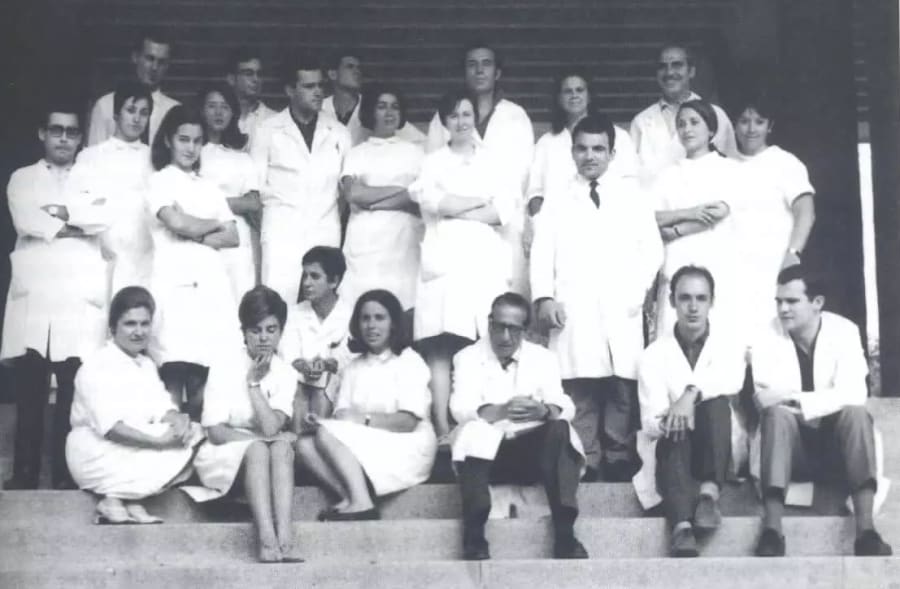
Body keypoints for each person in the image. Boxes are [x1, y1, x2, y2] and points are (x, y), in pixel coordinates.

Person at [531, 114, 663, 481]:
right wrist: (545, 298)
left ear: (612, 152)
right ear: (572, 151)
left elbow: (651, 251)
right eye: (582, 148)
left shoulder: (632, 196)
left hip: (621, 304)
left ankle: (619, 455)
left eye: (598, 149)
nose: (590, 156)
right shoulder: (557, 198)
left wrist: (635, 293)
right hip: (574, 304)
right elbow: (541, 253)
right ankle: (586, 456)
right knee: (581, 384)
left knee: (622, 384)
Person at [1, 104, 110, 489]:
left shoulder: (94, 177)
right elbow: (26, 220)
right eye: (56, 131)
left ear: (81, 137)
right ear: (42, 134)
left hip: (77, 297)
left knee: (71, 392)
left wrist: (62, 215)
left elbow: (103, 218)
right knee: (31, 390)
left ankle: (66, 475)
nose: (64, 138)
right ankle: (25, 474)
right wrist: (75, 221)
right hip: (38, 295)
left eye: (72, 132)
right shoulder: (22, 178)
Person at [751, 265, 892, 557]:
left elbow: (854, 393)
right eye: (779, 301)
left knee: (855, 414)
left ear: (817, 303)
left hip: (838, 449)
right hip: (792, 451)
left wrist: (799, 400)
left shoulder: (844, 331)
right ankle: (772, 531)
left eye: (792, 301)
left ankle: (866, 532)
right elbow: (765, 400)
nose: (783, 309)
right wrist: (822, 400)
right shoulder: (766, 335)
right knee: (776, 417)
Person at [450, 292, 587, 560]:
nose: (504, 336)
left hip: (531, 454)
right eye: (499, 326)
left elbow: (565, 404)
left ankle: (564, 533)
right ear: (489, 323)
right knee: (471, 431)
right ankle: (474, 532)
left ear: (525, 330)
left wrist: (544, 410)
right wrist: (501, 410)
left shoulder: (543, 358)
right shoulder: (466, 357)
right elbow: (459, 407)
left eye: (513, 329)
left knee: (560, 429)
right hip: (489, 458)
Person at [410, 89, 514, 441]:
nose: (461, 122)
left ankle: (480, 421)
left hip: (482, 260)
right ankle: (441, 426)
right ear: (444, 121)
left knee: (482, 340)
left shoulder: (493, 160)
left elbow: (503, 211)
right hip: (443, 260)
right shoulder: (433, 161)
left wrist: (453, 206)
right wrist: (474, 204)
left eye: (467, 114)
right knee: (441, 345)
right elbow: (428, 200)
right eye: (453, 115)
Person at [294, 289, 436, 520]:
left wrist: (362, 420)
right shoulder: (353, 367)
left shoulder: (409, 361)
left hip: (407, 443)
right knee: (304, 445)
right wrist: (321, 422)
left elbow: (408, 422)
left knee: (327, 435)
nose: (371, 325)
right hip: (368, 441)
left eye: (380, 318)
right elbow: (343, 418)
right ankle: (351, 496)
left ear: (393, 324)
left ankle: (361, 502)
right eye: (365, 318)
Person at [66, 286, 201, 524]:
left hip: (135, 445)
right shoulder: (96, 366)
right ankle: (124, 495)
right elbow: (112, 429)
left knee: (195, 433)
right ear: (112, 328)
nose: (138, 332)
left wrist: (178, 419)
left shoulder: (146, 365)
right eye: (130, 324)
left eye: (144, 324)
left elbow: (163, 407)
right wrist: (159, 443)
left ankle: (120, 499)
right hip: (96, 450)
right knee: (182, 447)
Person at [636, 266, 746, 557]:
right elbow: (650, 419)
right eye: (685, 298)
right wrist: (675, 416)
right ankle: (682, 525)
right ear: (672, 301)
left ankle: (708, 495)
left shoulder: (729, 345)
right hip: (676, 447)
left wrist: (689, 394)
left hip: (717, 441)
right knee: (674, 426)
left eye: (701, 298)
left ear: (712, 301)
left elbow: (732, 380)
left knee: (716, 404)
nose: (693, 307)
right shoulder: (653, 355)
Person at [186, 285, 302, 563]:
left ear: (280, 332)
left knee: (281, 450)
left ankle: (285, 539)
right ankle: (266, 538)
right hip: (222, 453)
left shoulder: (285, 373)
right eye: (255, 330)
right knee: (262, 449)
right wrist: (258, 440)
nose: (263, 338)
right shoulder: (224, 366)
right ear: (244, 332)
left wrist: (254, 386)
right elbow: (215, 431)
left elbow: (272, 427)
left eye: (271, 330)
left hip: (268, 455)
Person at [146, 105, 241, 421]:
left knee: (204, 374)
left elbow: (233, 236)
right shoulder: (159, 181)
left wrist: (191, 227)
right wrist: (209, 224)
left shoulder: (209, 186)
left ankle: (198, 456)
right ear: (169, 141)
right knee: (172, 370)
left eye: (197, 141)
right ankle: (170, 455)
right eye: (184, 139)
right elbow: (176, 223)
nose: (191, 147)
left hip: (210, 286)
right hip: (174, 285)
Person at [425, 41, 533, 295]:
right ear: (464, 72)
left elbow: (522, 178)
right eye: (472, 65)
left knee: (504, 303)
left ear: (497, 73)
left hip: (505, 226)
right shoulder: (442, 118)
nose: (479, 71)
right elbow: (433, 177)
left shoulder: (516, 117)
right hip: (453, 231)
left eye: (486, 64)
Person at [250, 53, 351, 303]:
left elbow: (344, 192)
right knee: (277, 306)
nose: (317, 92)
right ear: (289, 90)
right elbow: (254, 191)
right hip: (281, 236)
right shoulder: (267, 131)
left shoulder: (338, 132)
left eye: (320, 86)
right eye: (308, 86)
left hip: (325, 233)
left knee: (322, 308)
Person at [653, 99, 742, 336]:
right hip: (676, 264)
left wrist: (677, 230)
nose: (687, 129)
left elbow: (718, 212)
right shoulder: (667, 175)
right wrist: (690, 213)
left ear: (711, 129)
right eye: (681, 124)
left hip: (715, 264)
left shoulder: (728, 169)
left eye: (694, 122)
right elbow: (651, 219)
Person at [730, 94, 816, 337]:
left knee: (772, 338)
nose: (750, 129)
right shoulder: (724, 165)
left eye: (759, 121)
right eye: (744, 121)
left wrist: (792, 254)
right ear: (734, 125)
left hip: (772, 267)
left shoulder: (785, 163)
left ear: (770, 126)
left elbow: (806, 212)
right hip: (734, 270)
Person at [339, 83, 424, 313]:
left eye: (395, 107)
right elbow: (353, 194)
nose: (389, 113)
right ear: (370, 112)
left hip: (403, 241)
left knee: (402, 305)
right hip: (365, 241)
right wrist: (401, 190)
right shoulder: (357, 153)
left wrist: (373, 202)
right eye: (382, 106)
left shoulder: (416, 152)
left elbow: (420, 197)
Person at [69, 80, 155, 294]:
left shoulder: (154, 159)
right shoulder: (91, 157)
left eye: (144, 113)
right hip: (103, 253)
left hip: (143, 255)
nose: (136, 118)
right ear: (117, 114)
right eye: (130, 110)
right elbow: (76, 208)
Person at [526, 69, 638, 217]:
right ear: (559, 98)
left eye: (580, 90)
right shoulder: (546, 143)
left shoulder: (618, 136)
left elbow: (630, 184)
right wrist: (541, 225)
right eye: (567, 91)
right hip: (557, 225)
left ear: (589, 96)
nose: (574, 95)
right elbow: (536, 193)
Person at [630, 43, 736, 187]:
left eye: (677, 65)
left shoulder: (716, 115)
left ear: (691, 71)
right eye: (662, 66)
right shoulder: (641, 122)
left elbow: (731, 166)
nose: (669, 72)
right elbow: (632, 175)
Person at [199, 82, 262, 298]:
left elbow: (253, 203)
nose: (218, 113)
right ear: (201, 110)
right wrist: (235, 203)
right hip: (203, 238)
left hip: (238, 244)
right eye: (212, 106)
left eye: (225, 107)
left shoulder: (242, 158)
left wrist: (208, 203)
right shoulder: (192, 154)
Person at [280, 246, 354, 414]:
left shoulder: (351, 315)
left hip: (334, 389)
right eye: (305, 275)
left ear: (334, 281)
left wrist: (327, 365)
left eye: (315, 276)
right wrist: (304, 366)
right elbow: (288, 356)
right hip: (299, 385)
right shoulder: (294, 313)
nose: (306, 283)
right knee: (296, 385)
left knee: (326, 382)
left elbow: (349, 361)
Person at [87, 29, 178, 146]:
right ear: (135, 57)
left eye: (161, 62)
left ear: (167, 66)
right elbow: (94, 155)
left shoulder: (174, 110)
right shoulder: (105, 105)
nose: (155, 67)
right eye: (149, 59)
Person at [322, 49, 426, 147]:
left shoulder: (373, 105)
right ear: (333, 74)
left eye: (358, 68)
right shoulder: (321, 108)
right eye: (350, 67)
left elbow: (418, 139)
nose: (357, 71)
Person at [225, 46, 277, 146]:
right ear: (231, 79)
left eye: (259, 74)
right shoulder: (220, 118)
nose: (256, 79)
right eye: (248, 74)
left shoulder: (274, 120)